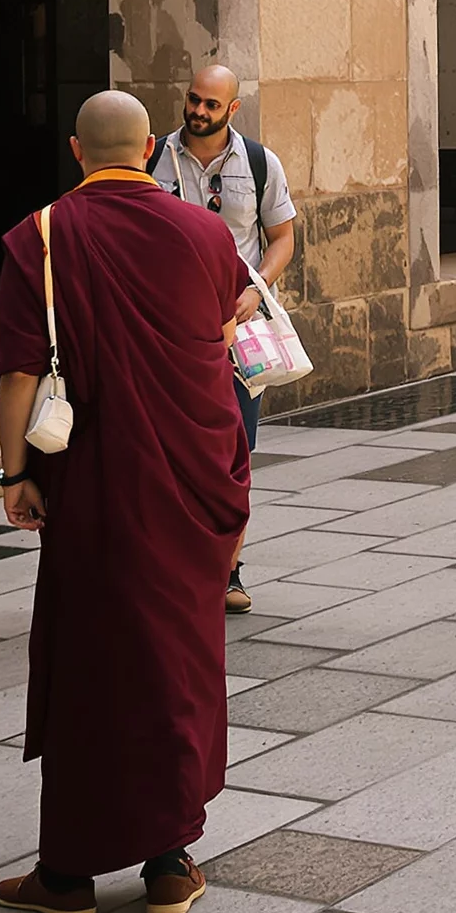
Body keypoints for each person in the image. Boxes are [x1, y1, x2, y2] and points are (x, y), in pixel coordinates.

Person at [0, 89, 252, 913]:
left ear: (77, 150)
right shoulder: (206, 231)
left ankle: (66, 877)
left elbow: (19, 372)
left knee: (91, 666)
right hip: (185, 475)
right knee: (176, 658)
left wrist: (12, 474)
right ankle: (170, 863)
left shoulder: (43, 235)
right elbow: (215, 331)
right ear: (148, 149)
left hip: (96, 481)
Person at [151, 62, 296, 614]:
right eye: (193, 99)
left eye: (211, 105)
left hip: (237, 334)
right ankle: (175, 565)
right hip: (167, 331)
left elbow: (281, 237)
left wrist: (257, 288)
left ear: (232, 109)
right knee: (166, 449)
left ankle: (229, 573)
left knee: (234, 453)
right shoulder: (154, 157)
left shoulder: (259, 162)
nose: (198, 112)